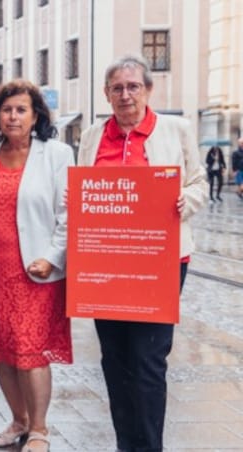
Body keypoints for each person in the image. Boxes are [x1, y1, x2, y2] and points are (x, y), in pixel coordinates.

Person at [77, 55, 207, 452]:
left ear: (148, 90)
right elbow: (85, 186)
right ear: (106, 94)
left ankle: (148, 447)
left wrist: (187, 198)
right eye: (117, 87)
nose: (125, 94)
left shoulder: (176, 129)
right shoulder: (91, 136)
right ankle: (125, 444)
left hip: (161, 261)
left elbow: (198, 180)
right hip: (106, 263)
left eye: (133, 86)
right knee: (114, 360)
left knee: (149, 360)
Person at [0, 79, 73, 452]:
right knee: (2, 348)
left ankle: (39, 429)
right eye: (6, 110)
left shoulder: (56, 154)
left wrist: (54, 257)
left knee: (30, 351)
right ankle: (18, 419)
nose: (12, 116)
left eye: (21, 109)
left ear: (35, 115)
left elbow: (68, 213)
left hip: (34, 269)